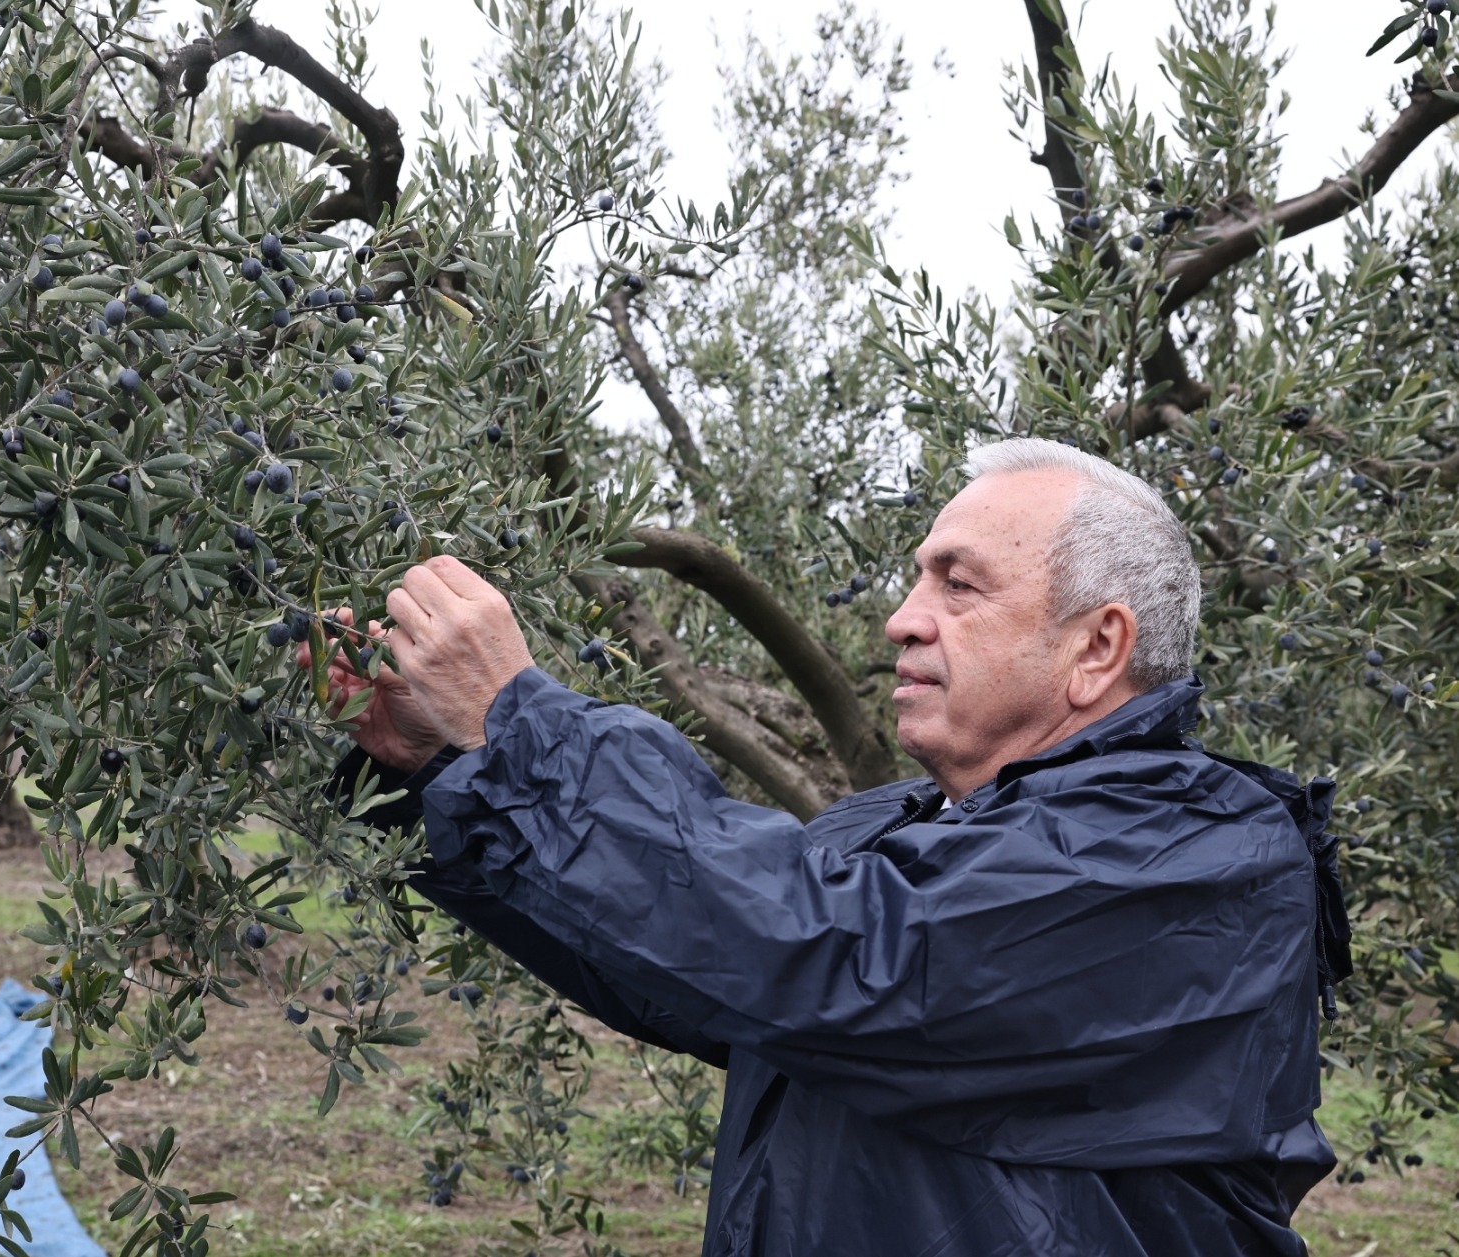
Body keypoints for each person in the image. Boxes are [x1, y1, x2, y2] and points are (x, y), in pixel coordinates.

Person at [299, 438, 1350, 1256]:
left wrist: (521, 725)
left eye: (958, 584)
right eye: (912, 580)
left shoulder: (1192, 857)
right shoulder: (895, 831)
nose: (900, 619)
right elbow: (690, 976)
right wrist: (434, 771)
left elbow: (838, 957)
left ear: (1098, 646)